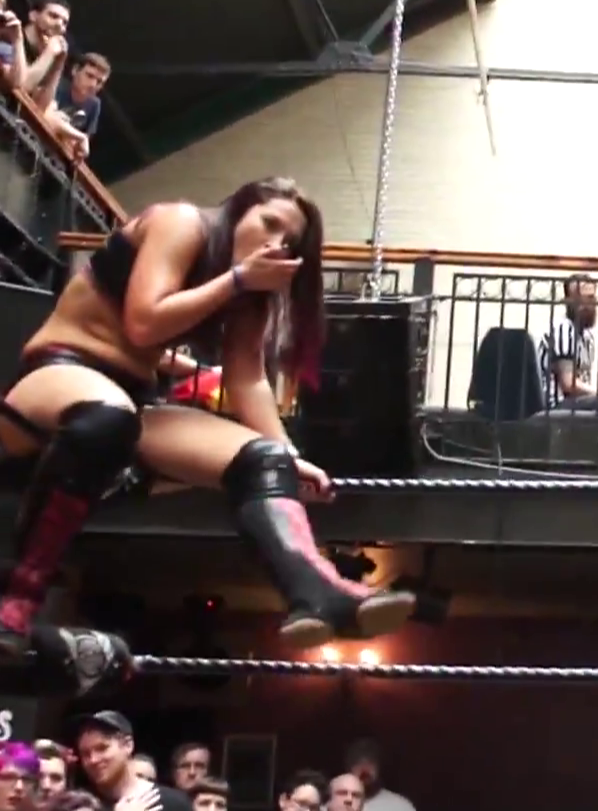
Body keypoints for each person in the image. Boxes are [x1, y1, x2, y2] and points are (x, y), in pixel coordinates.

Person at [0, 177, 414, 693]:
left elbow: (247, 377)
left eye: (289, 241)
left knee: (262, 459)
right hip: (58, 373)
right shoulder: (180, 223)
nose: (275, 243)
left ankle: (319, 593)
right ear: (239, 210)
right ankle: (15, 602)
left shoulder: (251, 288)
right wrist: (237, 280)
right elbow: (144, 323)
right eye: (269, 223)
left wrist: (289, 455)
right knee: (110, 419)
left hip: (131, 403)